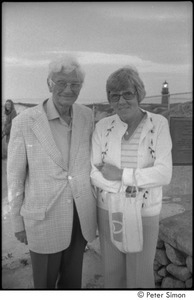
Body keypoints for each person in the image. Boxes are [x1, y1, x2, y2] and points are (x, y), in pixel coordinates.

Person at [7, 55, 97, 289]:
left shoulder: (87, 116)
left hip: (80, 217)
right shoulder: (25, 122)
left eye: (75, 84)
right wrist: (17, 220)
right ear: (49, 83)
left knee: (72, 284)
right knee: (44, 286)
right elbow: (15, 178)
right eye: (61, 83)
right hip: (43, 219)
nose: (69, 89)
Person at [90, 66, 172, 288]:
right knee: (112, 271)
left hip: (144, 212)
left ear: (139, 94)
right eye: (114, 96)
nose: (121, 101)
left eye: (128, 93)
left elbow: (164, 173)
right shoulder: (103, 126)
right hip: (108, 210)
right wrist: (131, 186)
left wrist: (121, 175)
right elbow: (95, 173)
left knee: (139, 274)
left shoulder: (158, 124)